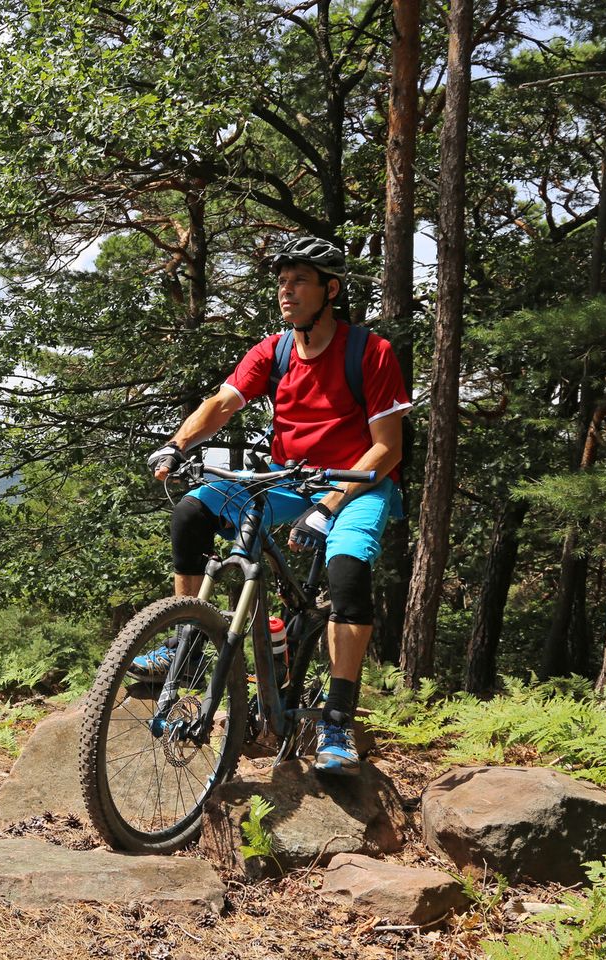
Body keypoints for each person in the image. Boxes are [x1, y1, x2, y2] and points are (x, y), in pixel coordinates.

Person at [139, 236, 411, 776]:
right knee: (192, 512)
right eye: (282, 282)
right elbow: (222, 402)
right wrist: (177, 443)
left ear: (330, 290)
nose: (286, 292)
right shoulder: (275, 350)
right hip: (290, 479)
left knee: (347, 574)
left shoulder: (370, 352)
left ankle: (336, 718)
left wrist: (331, 504)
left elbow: (388, 448)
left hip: (358, 482)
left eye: (299, 282)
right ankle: (188, 642)